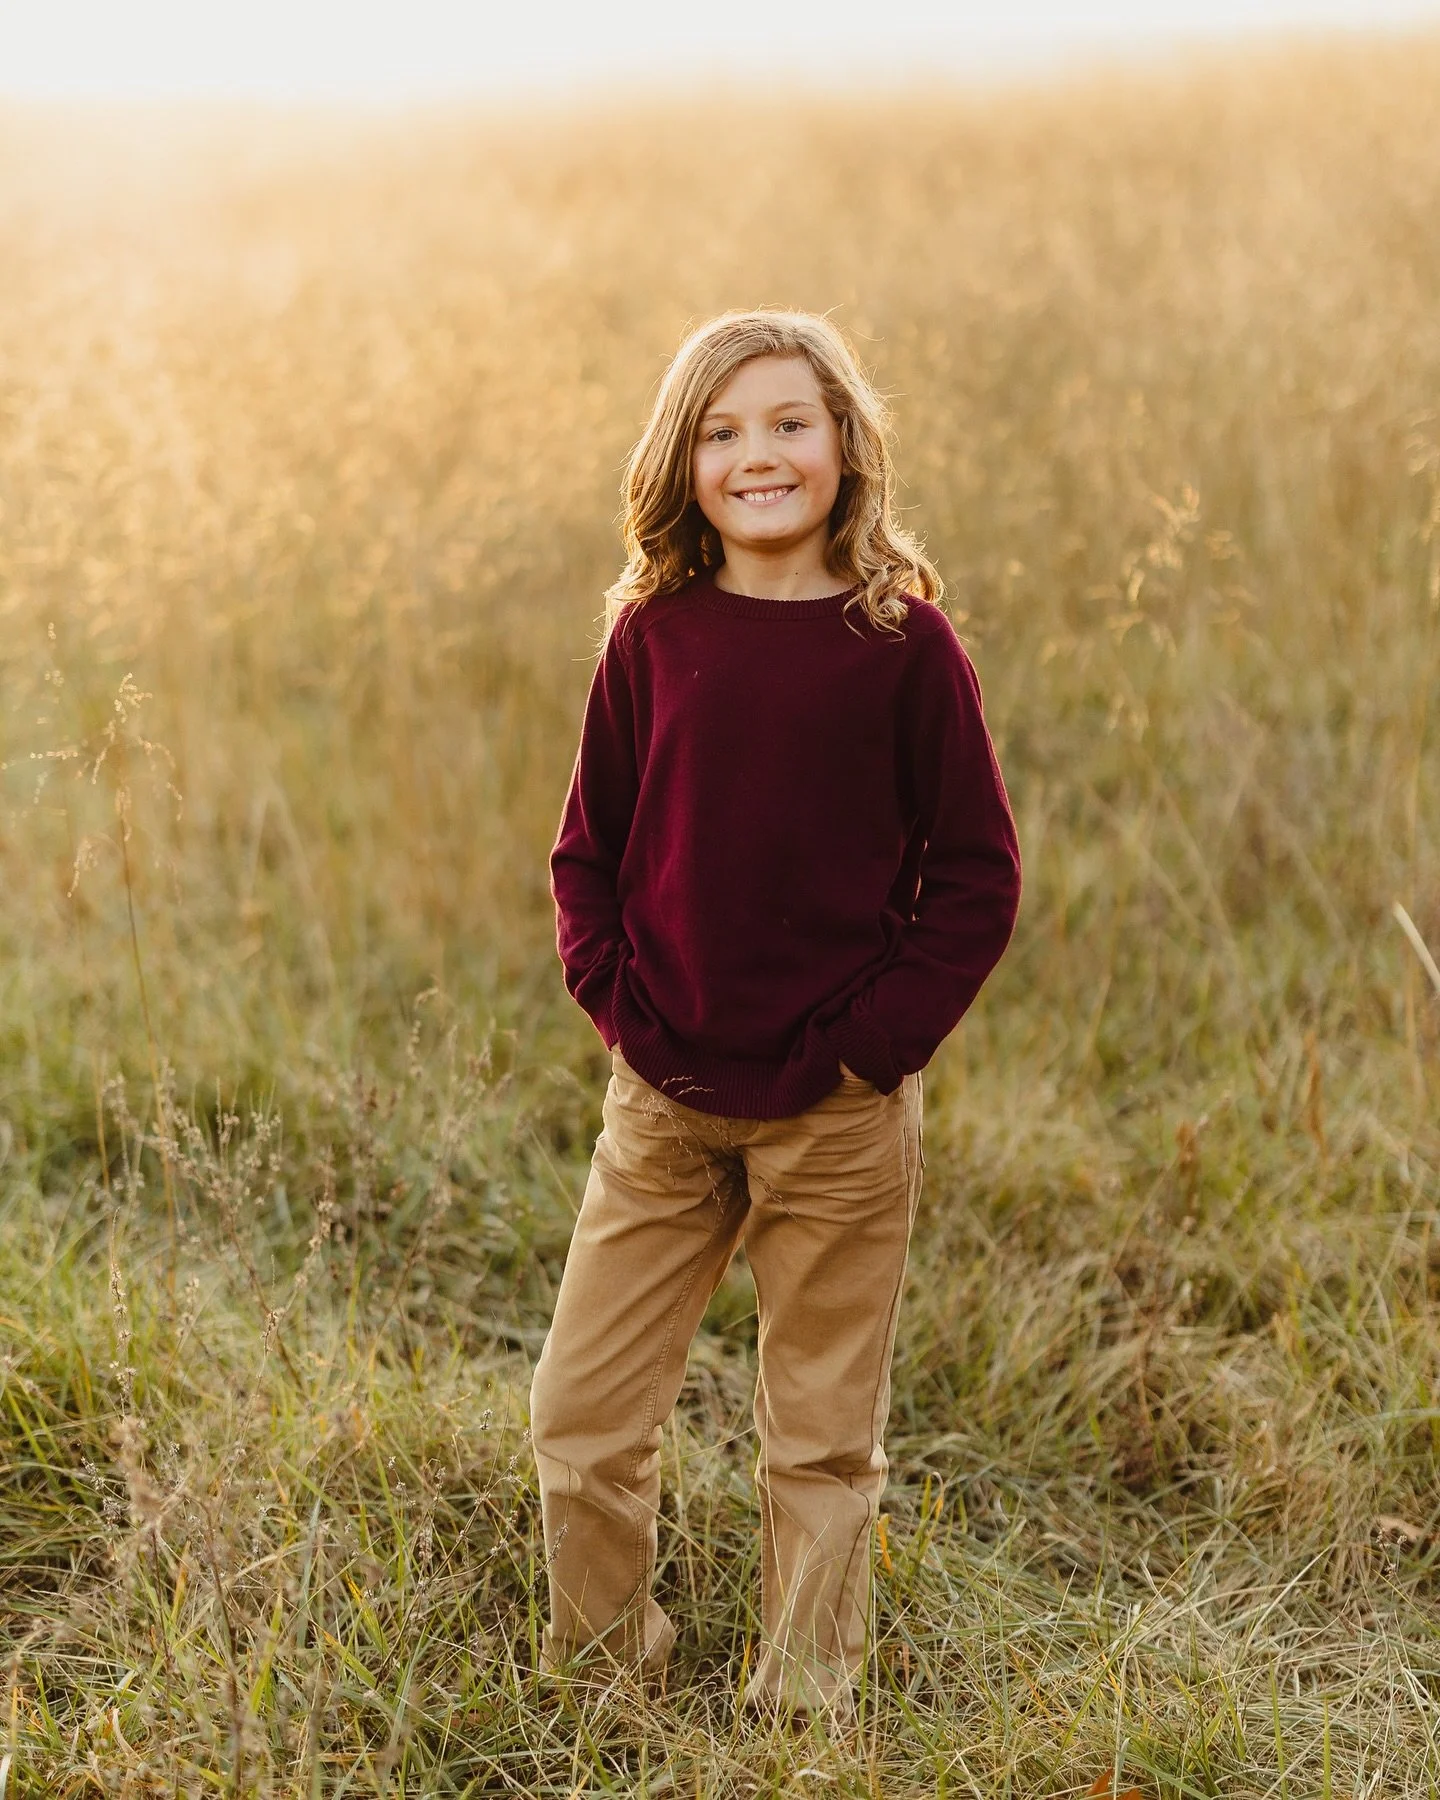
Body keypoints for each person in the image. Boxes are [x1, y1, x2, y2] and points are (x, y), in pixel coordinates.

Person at [529, 308, 1021, 1725]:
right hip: (664, 1102)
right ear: (684, 463)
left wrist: (872, 1050)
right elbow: (588, 855)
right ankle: (606, 1677)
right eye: (724, 430)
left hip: (840, 1115)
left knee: (817, 1439)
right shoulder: (652, 638)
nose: (760, 455)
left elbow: (976, 877)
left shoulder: (902, 648)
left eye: (790, 423)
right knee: (581, 1419)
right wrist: (625, 1012)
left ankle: (804, 1697)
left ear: (845, 448)